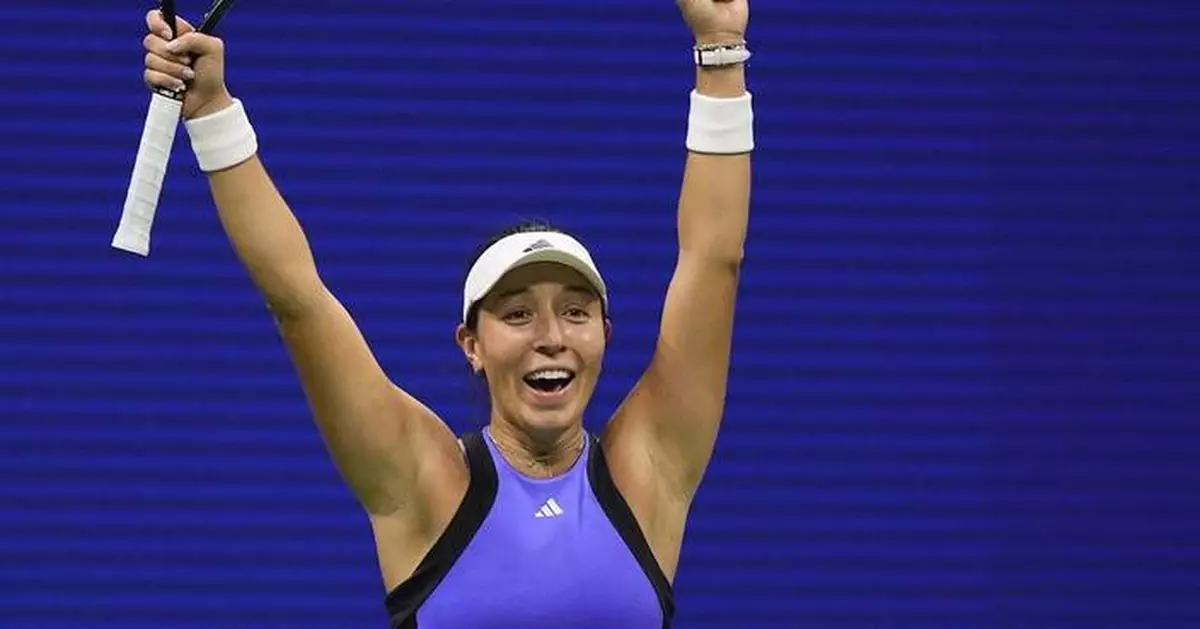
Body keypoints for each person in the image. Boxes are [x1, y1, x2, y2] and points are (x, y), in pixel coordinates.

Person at [141, 1, 753, 626]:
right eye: (517, 315)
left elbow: (712, 262)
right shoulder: (421, 480)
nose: (551, 338)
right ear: (472, 344)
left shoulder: (648, 467)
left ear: (605, 334)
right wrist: (213, 112)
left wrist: (722, 46)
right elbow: (298, 299)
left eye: (574, 312)